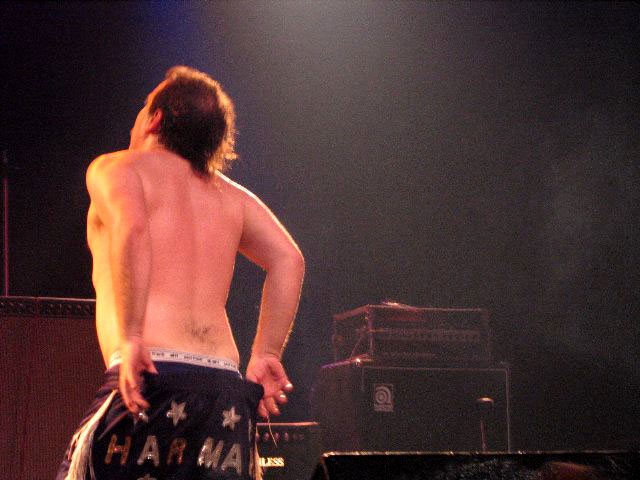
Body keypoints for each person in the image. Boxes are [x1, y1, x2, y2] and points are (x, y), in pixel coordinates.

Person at [57, 66, 305, 480]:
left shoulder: (116, 168)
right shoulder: (232, 197)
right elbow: (289, 259)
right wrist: (266, 353)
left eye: (143, 107)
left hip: (154, 374)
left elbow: (132, 228)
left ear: (155, 119)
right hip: (222, 391)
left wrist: (131, 335)